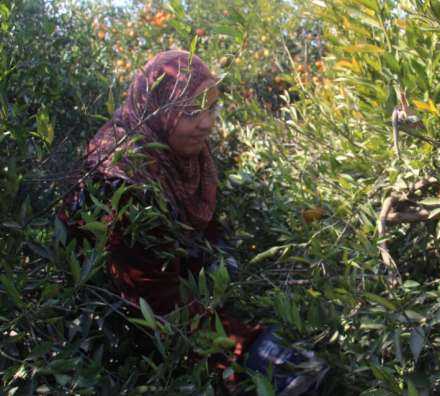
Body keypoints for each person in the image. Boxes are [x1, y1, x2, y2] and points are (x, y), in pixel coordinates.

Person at [58, 50, 327, 395]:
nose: (207, 123)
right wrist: (248, 345)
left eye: (211, 108)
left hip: (176, 290)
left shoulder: (186, 153)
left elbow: (208, 228)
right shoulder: (121, 177)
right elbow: (151, 301)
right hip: (109, 327)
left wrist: (221, 262)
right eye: (190, 111)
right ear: (156, 110)